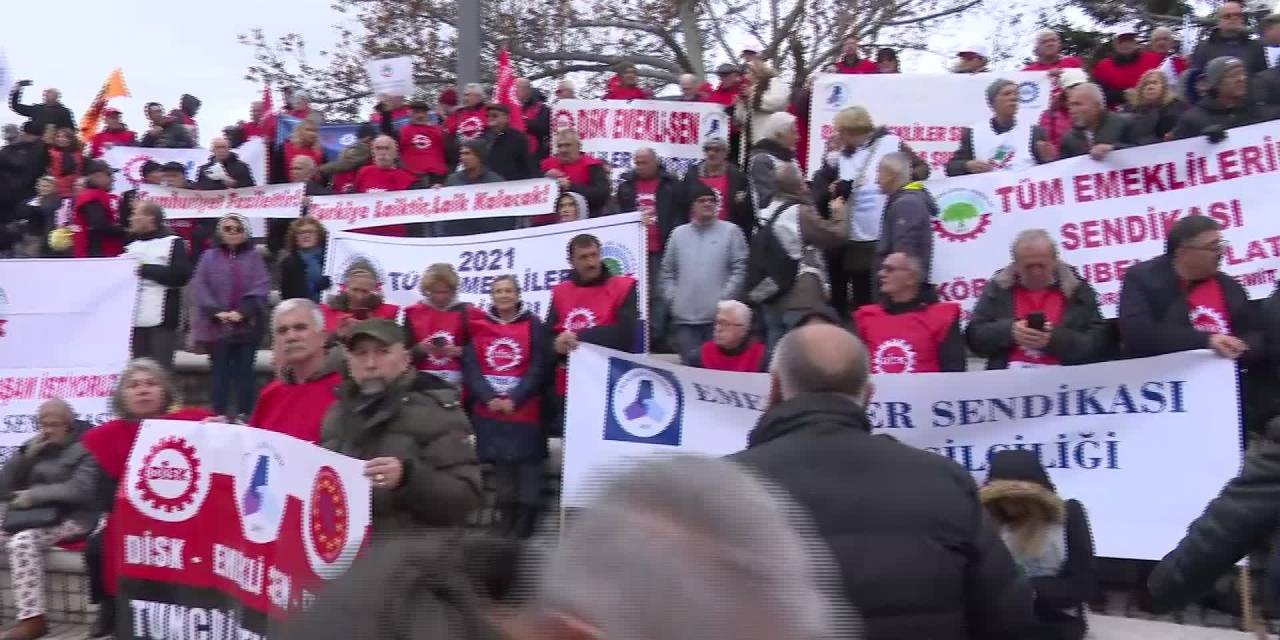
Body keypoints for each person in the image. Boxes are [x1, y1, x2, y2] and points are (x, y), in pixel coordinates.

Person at [730, 323, 1034, 639]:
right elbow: (1007, 613)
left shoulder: (724, 486)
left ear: (775, 388)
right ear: (868, 396)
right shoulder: (946, 481)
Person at [81, 360, 211, 638]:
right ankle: (110, 607)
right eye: (134, 385)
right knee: (98, 546)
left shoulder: (192, 424)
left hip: (181, 513)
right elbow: (102, 494)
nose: (143, 391)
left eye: (151, 384)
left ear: (164, 392)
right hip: (127, 514)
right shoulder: (106, 437)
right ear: (122, 396)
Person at [322, 318, 482, 530]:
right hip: (345, 549)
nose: (370, 364)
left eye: (382, 352)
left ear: (406, 359)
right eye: (361, 354)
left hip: (414, 553)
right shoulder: (337, 412)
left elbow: (466, 498)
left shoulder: (436, 411)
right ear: (349, 363)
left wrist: (408, 478)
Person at [811, 106, 928, 317]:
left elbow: (923, 169)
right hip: (854, 233)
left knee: (880, 290)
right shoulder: (841, 153)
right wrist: (836, 182)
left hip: (881, 228)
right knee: (861, 294)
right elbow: (825, 185)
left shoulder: (890, 143)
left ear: (853, 130)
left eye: (841, 131)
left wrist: (897, 178)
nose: (838, 136)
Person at [0, 398, 99, 640]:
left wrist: (34, 495)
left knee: (22, 542)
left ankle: (33, 620)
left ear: (69, 424)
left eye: (54, 424)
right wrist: (25, 456)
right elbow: (4, 487)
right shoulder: (36, 446)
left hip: (74, 517)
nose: (47, 430)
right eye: (43, 424)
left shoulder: (88, 447)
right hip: (33, 515)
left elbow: (80, 490)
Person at [460, 275, 548, 537]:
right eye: (498, 291)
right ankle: (506, 515)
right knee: (502, 464)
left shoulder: (534, 324)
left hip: (525, 409)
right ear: (492, 296)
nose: (504, 295)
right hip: (492, 410)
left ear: (518, 294)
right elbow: (472, 366)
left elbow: (538, 366)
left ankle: (526, 519)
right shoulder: (479, 325)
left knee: (528, 465)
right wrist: (489, 398)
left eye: (509, 290)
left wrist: (515, 398)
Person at [980, 450, 1095, 640]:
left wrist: (1026, 589)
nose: (1009, 505)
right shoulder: (987, 522)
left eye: (1018, 498)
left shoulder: (1068, 516)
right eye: (1002, 498)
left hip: (1053, 617)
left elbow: (1083, 584)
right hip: (998, 616)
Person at [1118, 215, 1262, 360]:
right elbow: (1138, 335)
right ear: (1183, 253)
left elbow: (1254, 333)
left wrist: (1243, 347)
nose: (1221, 253)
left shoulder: (1229, 286)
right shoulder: (1142, 279)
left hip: (1227, 375)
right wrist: (1207, 341)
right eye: (1213, 247)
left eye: (1221, 246)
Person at [967, 229, 1111, 370]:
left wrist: (1054, 339)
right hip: (1008, 382)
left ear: (1055, 261)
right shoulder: (998, 289)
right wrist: (1009, 331)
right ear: (1016, 264)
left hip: (1066, 380)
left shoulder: (1077, 290)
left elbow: (1098, 345)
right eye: (1028, 267)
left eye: (1041, 265)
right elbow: (974, 339)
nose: (1036, 272)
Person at [746, 163, 847, 348]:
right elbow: (835, 236)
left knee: (775, 359)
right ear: (800, 185)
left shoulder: (764, 212)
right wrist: (839, 213)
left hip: (771, 295)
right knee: (799, 359)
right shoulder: (799, 212)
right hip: (800, 298)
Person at [546, 234, 639, 422]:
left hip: (610, 382)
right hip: (570, 386)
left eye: (594, 255)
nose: (591, 262)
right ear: (571, 262)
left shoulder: (623, 287)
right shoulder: (560, 292)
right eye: (583, 257)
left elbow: (626, 336)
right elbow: (547, 337)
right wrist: (556, 345)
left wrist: (578, 337)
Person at [190, 213, 271, 420]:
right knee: (220, 373)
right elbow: (200, 286)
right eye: (228, 229)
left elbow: (261, 286)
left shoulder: (254, 257)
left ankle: (247, 414)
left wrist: (242, 312)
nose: (233, 233)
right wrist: (216, 312)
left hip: (247, 325)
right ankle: (218, 413)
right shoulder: (208, 257)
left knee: (245, 372)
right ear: (220, 232)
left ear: (246, 233)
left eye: (238, 229)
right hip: (216, 326)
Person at [660, 182, 749, 364]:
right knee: (689, 371)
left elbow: (740, 268)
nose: (708, 204)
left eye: (712, 200)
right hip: (685, 320)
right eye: (702, 200)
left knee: (716, 372)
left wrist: (724, 300)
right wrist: (674, 299)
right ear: (692, 206)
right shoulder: (678, 235)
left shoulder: (731, 232)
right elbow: (667, 272)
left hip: (718, 321)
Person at [853, 252, 965, 373]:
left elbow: (954, 373)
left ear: (911, 277)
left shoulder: (943, 317)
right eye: (882, 269)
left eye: (889, 269)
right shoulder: (866, 317)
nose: (881, 274)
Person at [249, 299, 343, 443]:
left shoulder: (346, 390)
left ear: (323, 337)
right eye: (282, 331)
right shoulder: (270, 395)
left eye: (300, 328)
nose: (291, 337)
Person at [123, 202, 192, 370]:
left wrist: (145, 269)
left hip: (163, 317)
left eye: (135, 214)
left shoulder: (173, 242)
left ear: (150, 218)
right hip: (135, 317)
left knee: (161, 370)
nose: (131, 219)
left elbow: (180, 276)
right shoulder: (131, 245)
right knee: (139, 369)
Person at [947, 78, 1051, 176]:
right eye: (1007, 94)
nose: (1013, 98)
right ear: (993, 102)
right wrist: (966, 166)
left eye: (1016, 94)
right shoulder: (973, 133)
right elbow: (950, 168)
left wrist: (1048, 159)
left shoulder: (1035, 132)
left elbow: (1048, 171)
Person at [1172, 56, 1276, 140]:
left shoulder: (1259, 110)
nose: (1241, 79)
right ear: (1216, 84)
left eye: (1242, 74)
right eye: (1233, 75)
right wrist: (1203, 142)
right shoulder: (1192, 119)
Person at [402, 263, 473, 388]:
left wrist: (461, 351)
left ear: (454, 290)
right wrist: (420, 349)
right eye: (435, 292)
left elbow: (479, 351)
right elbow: (402, 354)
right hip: (421, 384)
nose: (441, 297)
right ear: (427, 291)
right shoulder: (412, 313)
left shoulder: (467, 312)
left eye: (445, 292)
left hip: (458, 385)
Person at [873, 153, 935, 278]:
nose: (876, 180)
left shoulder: (906, 205)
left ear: (891, 175)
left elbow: (903, 257)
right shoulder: (902, 200)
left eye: (879, 173)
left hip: (901, 291)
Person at [678, 137, 753, 239]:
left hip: (726, 234)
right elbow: (683, 205)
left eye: (717, 150)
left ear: (726, 153)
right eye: (707, 149)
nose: (711, 153)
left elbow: (747, 212)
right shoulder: (692, 175)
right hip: (696, 233)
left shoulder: (738, 177)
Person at [1053, 82, 1139, 161]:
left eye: (1077, 104)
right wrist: (1048, 160)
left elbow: (1147, 151)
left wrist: (1114, 148)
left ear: (1097, 106)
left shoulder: (1127, 123)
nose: (1071, 110)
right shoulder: (1069, 139)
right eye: (1070, 105)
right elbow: (1065, 172)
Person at [381, 93, 452, 186]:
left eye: (423, 112)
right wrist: (386, 113)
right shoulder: (403, 131)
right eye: (416, 112)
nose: (420, 115)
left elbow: (451, 148)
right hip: (411, 178)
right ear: (410, 114)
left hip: (437, 177)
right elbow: (388, 135)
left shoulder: (438, 130)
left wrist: (444, 117)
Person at [321, 261, 401, 341]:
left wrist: (370, 328)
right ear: (346, 287)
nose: (359, 297)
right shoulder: (327, 311)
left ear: (373, 291)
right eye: (355, 290)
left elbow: (392, 344)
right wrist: (338, 334)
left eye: (365, 291)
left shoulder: (387, 314)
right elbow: (321, 345)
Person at [540, 128, 609, 218]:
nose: (563, 150)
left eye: (568, 145)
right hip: (549, 222)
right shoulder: (546, 165)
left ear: (579, 146)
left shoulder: (593, 165)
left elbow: (601, 195)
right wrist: (543, 178)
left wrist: (570, 186)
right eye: (560, 146)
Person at [688, 300, 767, 371]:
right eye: (717, 323)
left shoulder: (763, 358)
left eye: (725, 324)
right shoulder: (699, 356)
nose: (718, 329)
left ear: (743, 330)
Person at [1092, 32, 1165, 108]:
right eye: (1121, 41)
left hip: (1153, 109)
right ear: (1115, 45)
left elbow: (1167, 84)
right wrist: (1123, 95)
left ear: (1135, 42)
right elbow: (1098, 93)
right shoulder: (1103, 66)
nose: (1126, 44)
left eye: (1129, 40)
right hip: (1118, 113)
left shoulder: (1154, 59)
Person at [1190, 1, 1267, 74]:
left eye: (1238, 15)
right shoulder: (1204, 47)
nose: (1234, 18)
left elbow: (1261, 78)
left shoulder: (1255, 46)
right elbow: (1197, 79)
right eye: (1228, 16)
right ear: (1219, 21)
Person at [747, 111, 800, 214]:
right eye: (793, 133)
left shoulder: (790, 157)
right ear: (779, 135)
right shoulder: (762, 160)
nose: (798, 137)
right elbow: (765, 200)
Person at [71, 160, 126, 258]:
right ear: (97, 176)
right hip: (95, 255)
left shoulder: (92, 195)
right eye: (109, 176)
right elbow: (98, 225)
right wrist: (127, 231)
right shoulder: (91, 196)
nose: (113, 180)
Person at [1123, 68, 1186, 144]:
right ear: (1140, 90)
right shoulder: (1131, 109)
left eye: (1154, 83)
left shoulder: (1175, 106)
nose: (1150, 87)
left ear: (1164, 87)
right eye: (1145, 84)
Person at [279, 217, 331, 302]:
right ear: (295, 238)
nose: (306, 235)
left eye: (310, 232)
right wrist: (314, 287)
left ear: (319, 235)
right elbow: (287, 296)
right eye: (301, 233)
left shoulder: (331, 257)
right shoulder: (289, 263)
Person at [317, 123, 377, 193]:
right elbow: (347, 163)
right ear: (369, 139)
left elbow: (346, 163)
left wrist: (320, 170)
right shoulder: (363, 148)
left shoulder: (357, 148)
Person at [483, 104, 534, 182]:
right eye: (488, 116)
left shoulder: (518, 138)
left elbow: (526, 165)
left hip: (511, 186)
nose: (490, 119)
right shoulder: (483, 138)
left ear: (506, 118)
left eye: (494, 116)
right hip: (488, 186)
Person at [8, 82, 75, 132]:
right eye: (45, 93)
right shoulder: (36, 108)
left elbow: (70, 129)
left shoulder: (64, 112)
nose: (45, 94)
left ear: (57, 96)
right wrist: (18, 88)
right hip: (34, 144)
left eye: (49, 92)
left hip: (52, 145)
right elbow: (15, 106)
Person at [516, 78, 551, 159]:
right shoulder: (513, 106)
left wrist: (523, 121)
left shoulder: (542, 108)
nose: (515, 91)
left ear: (527, 89)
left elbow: (543, 127)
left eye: (518, 87)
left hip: (534, 154)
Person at [47, 127, 83, 198]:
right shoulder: (49, 153)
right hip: (54, 193)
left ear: (71, 140)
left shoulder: (77, 155)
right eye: (58, 136)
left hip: (73, 193)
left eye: (65, 137)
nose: (60, 139)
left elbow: (78, 174)